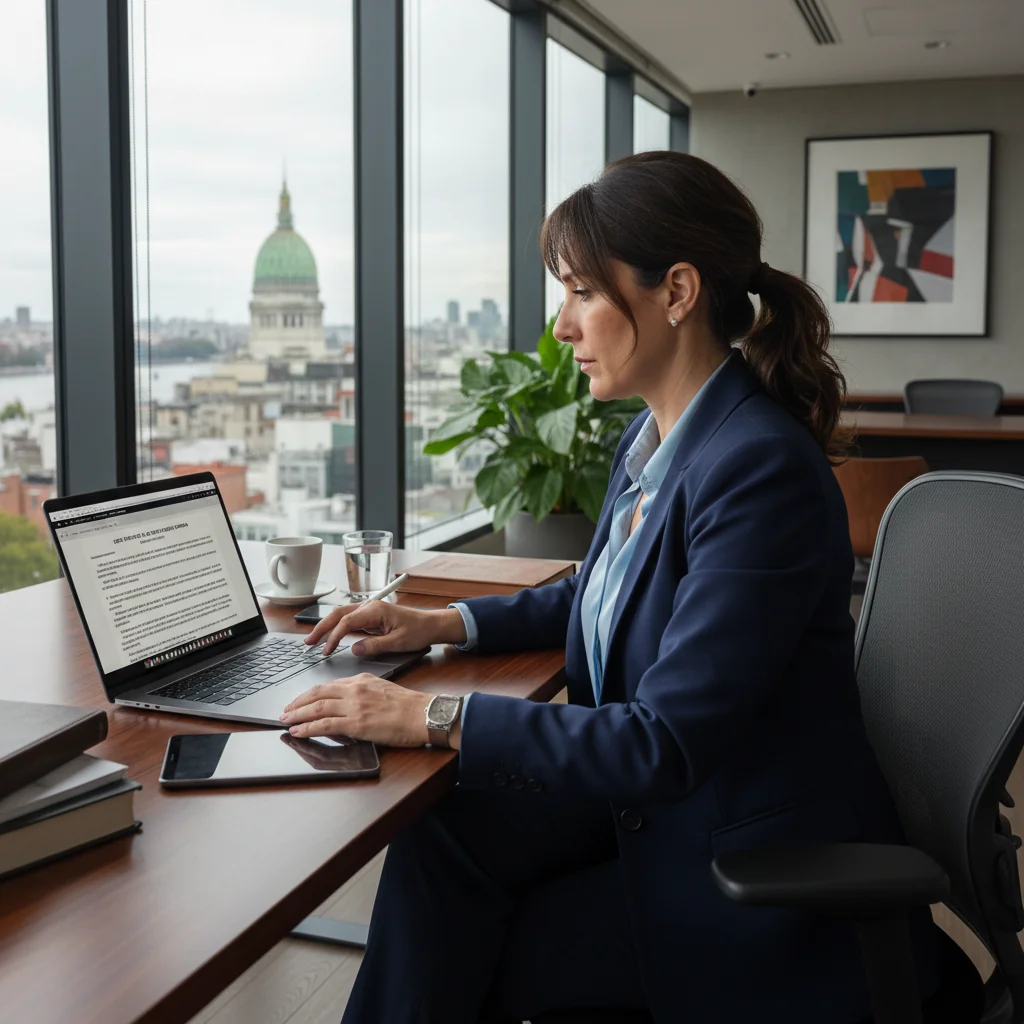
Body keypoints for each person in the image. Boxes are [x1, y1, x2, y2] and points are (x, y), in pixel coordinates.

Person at [279, 151, 936, 1023]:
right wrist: (436, 622)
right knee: (444, 839)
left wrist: (430, 717)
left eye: (582, 292)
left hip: (733, 859)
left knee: (472, 956)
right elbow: (597, 593)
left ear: (677, 292)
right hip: (669, 808)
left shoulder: (756, 471)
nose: (560, 327)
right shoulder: (655, 440)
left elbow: (662, 742)